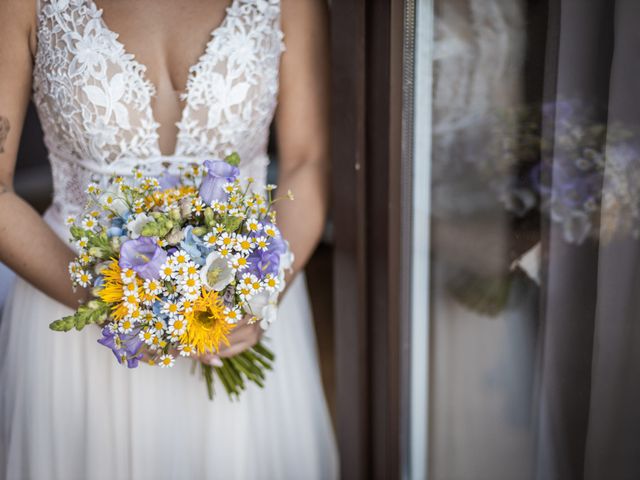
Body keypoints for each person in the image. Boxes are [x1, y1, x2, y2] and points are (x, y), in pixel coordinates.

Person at [0, 0, 338, 478]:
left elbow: (308, 160)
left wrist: (261, 293)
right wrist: (115, 302)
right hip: (74, 318)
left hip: (240, 318)